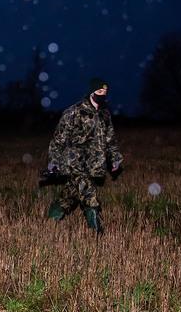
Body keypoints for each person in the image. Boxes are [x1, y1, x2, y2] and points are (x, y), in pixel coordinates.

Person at [42, 77, 124, 234]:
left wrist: (115, 158)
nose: (103, 94)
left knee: (70, 195)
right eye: (99, 91)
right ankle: (97, 233)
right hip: (74, 162)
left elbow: (110, 139)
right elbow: (59, 139)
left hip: (94, 163)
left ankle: (52, 219)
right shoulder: (74, 112)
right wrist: (53, 161)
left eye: (105, 92)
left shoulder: (105, 114)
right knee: (89, 194)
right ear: (92, 92)